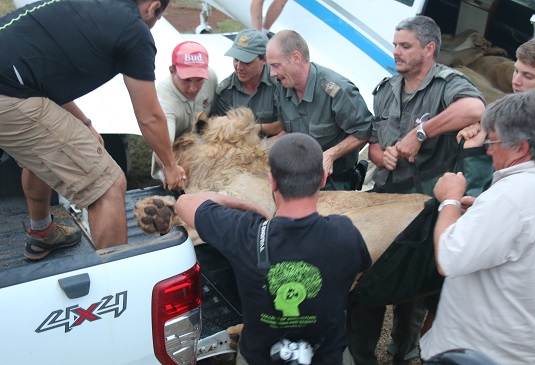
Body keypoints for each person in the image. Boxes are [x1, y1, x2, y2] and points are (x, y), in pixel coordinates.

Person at [348, 16, 485, 365]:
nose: (396, 52)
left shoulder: (447, 84)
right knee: (368, 282)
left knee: (412, 293)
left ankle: (404, 352)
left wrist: (420, 133)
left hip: (424, 208)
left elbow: (473, 109)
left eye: (405, 46)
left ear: (429, 49)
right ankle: (363, 355)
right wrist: (385, 154)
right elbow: (376, 145)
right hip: (385, 202)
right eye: (395, 45)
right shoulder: (385, 89)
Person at [0, 0, 185, 259]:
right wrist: (169, 165)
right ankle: (116, 284)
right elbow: (150, 117)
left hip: (15, 81)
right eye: (156, 20)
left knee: (42, 153)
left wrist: (84, 123)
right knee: (107, 184)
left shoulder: (87, 6)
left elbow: (41, 74)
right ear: (153, 7)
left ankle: (42, 233)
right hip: (8, 93)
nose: (152, 26)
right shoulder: (134, 30)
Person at [175, 133, 372, 365]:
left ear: (273, 181)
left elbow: (183, 203)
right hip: (329, 357)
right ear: (322, 179)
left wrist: (242, 205)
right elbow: (359, 273)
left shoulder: (243, 232)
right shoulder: (345, 233)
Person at [420, 89, 535, 364]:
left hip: (482, 350)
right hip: (526, 345)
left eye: (494, 140)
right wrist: (481, 212)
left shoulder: (510, 196)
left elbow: (449, 258)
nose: (488, 148)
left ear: (521, 148)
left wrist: (451, 200)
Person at [266, 30, 373, 191]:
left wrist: (330, 155)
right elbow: (287, 131)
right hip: (297, 179)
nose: (272, 73)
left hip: (333, 183)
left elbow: (364, 131)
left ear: (296, 57)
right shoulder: (282, 87)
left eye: (275, 65)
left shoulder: (337, 90)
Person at [151, 41, 217, 181]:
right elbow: (162, 146)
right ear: (172, 71)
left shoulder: (210, 77)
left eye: (199, 80)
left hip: (207, 150)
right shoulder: (164, 101)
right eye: (186, 80)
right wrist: (171, 169)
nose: (193, 88)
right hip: (177, 158)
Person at [210, 29, 278, 128]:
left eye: (247, 62)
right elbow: (222, 129)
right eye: (236, 60)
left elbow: (285, 125)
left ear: (264, 60)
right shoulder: (226, 91)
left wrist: (259, 129)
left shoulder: (278, 84)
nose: (239, 67)